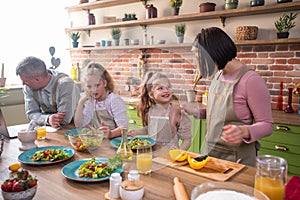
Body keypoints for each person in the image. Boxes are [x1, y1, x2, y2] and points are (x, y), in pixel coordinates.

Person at [181, 27, 274, 166]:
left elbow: (267, 125)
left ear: (212, 53)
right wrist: (197, 112)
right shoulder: (218, 75)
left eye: (197, 56)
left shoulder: (251, 80)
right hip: (211, 155)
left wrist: (244, 131)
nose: (196, 62)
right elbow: (218, 113)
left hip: (237, 161)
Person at [129, 71, 192, 150]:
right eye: (160, 88)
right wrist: (136, 132)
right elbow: (150, 129)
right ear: (151, 95)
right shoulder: (150, 112)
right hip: (152, 154)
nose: (166, 90)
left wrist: (179, 152)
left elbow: (187, 140)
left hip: (170, 155)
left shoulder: (176, 112)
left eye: (168, 87)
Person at [16, 56, 80, 128]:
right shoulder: (28, 87)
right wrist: (47, 119)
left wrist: (41, 118)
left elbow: (64, 120)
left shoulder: (65, 84)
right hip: (51, 130)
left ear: (37, 79)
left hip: (75, 129)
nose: (23, 84)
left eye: (25, 81)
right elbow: (31, 114)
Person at [74, 62, 128, 139]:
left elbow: (124, 128)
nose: (93, 90)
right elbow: (79, 125)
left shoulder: (114, 100)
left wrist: (111, 133)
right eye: (89, 86)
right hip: (99, 142)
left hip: (114, 142)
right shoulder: (92, 101)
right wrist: (81, 102)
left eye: (97, 85)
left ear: (104, 83)